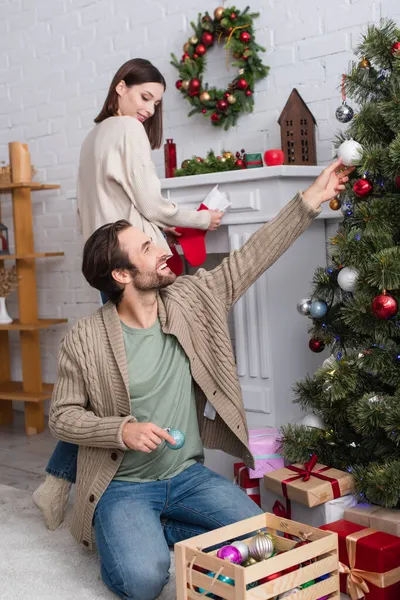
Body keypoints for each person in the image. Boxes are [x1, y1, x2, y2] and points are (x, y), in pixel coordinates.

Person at [48, 160, 351, 599]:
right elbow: (63, 417)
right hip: (124, 487)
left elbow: (250, 257)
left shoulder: (190, 298)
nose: (164, 250)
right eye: (148, 249)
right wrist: (120, 430)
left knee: (263, 547)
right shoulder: (85, 337)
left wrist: (310, 200)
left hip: (186, 477)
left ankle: (165, 529)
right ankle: (136, 534)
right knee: (144, 581)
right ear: (122, 275)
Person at [32, 58, 223, 530]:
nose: (148, 109)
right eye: (144, 96)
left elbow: (86, 214)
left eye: (155, 103)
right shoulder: (126, 132)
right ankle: (82, 485)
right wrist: (201, 220)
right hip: (133, 268)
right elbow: (151, 201)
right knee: (126, 390)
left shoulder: (91, 138)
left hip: (108, 267)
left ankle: (58, 483)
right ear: (120, 87)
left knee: (107, 389)